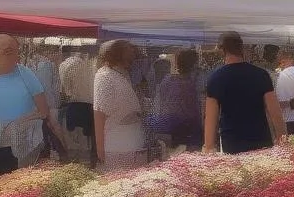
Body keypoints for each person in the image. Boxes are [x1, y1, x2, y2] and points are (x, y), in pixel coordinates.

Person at [0, 34, 57, 174]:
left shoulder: (26, 74)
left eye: (15, 51)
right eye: (8, 51)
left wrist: (19, 124)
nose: (14, 56)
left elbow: (43, 111)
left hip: (27, 145)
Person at [203, 31, 287, 154]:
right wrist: (282, 139)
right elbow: (275, 112)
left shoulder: (215, 78)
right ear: (242, 48)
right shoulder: (261, 75)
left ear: (222, 50)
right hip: (261, 141)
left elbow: (211, 118)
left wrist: (209, 148)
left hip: (232, 143)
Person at [93, 40, 149, 170]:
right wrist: (100, 148)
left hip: (134, 141)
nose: (133, 51)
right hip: (118, 142)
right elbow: (99, 112)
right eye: (129, 48)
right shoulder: (104, 76)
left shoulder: (122, 74)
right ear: (118, 52)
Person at [151, 48, 202, 150]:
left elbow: (161, 104)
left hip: (168, 127)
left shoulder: (166, 80)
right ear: (193, 65)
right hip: (188, 130)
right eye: (197, 63)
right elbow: (193, 110)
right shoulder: (190, 84)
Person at [59, 44, 97, 166]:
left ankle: (77, 165)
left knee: (75, 138)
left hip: (74, 104)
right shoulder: (90, 67)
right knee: (87, 139)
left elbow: (64, 89)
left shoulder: (65, 66)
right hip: (87, 105)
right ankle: (87, 165)